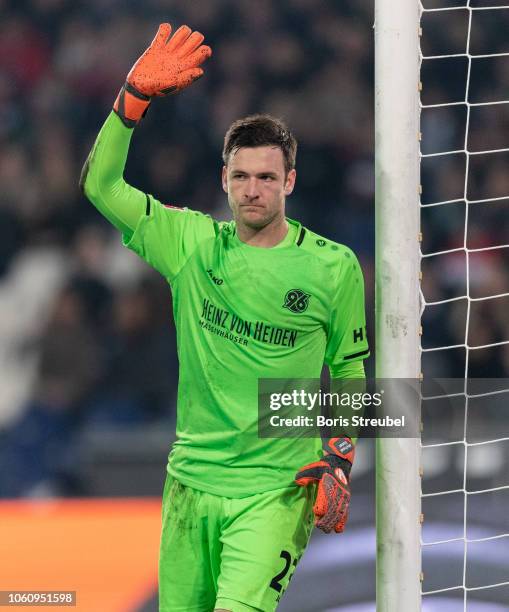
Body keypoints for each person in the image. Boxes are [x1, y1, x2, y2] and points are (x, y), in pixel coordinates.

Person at [80, 23, 369, 612]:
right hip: (188, 484)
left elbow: (349, 368)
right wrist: (130, 102)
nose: (253, 190)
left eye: (267, 178)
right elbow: (100, 184)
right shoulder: (189, 242)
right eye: (241, 177)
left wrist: (339, 457)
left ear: (289, 182)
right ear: (224, 181)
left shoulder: (332, 268)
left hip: (274, 494)